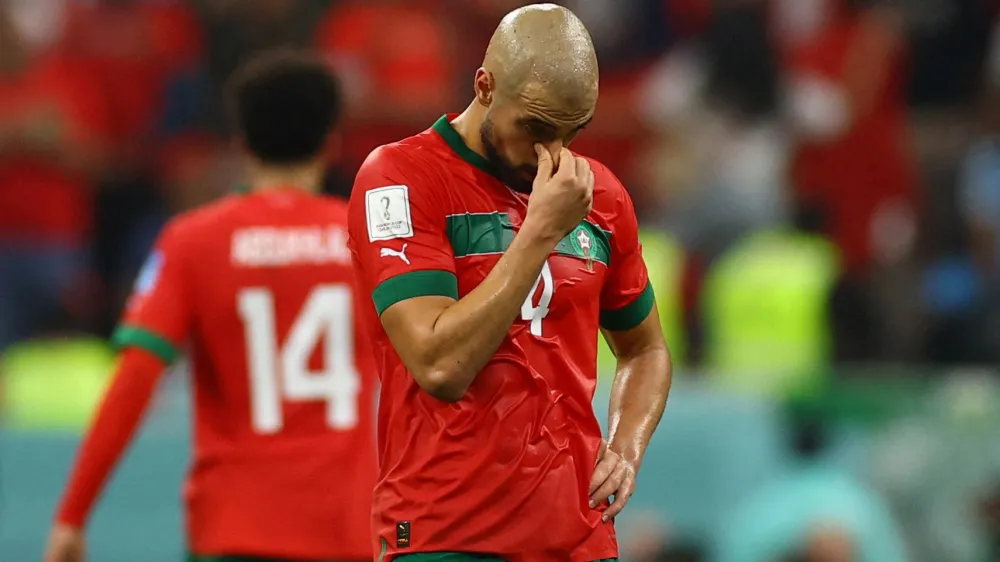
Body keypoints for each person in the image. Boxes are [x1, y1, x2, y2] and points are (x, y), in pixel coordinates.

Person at [347, 4, 672, 561]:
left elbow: (645, 349)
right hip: (445, 535)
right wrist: (539, 230)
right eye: (536, 129)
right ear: (485, 85)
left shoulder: (602, 196)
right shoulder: (399, 179)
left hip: (579, 539)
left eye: (572, 133)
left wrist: (626, 447)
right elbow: (439, 365)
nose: (550, 153)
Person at [44, 50, 377, 562]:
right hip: (347, 529)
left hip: (235, 526)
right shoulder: (366, 241)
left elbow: (135, 376)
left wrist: (72, 516)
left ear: (239, 142)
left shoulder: (194, 241)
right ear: (331, 141)